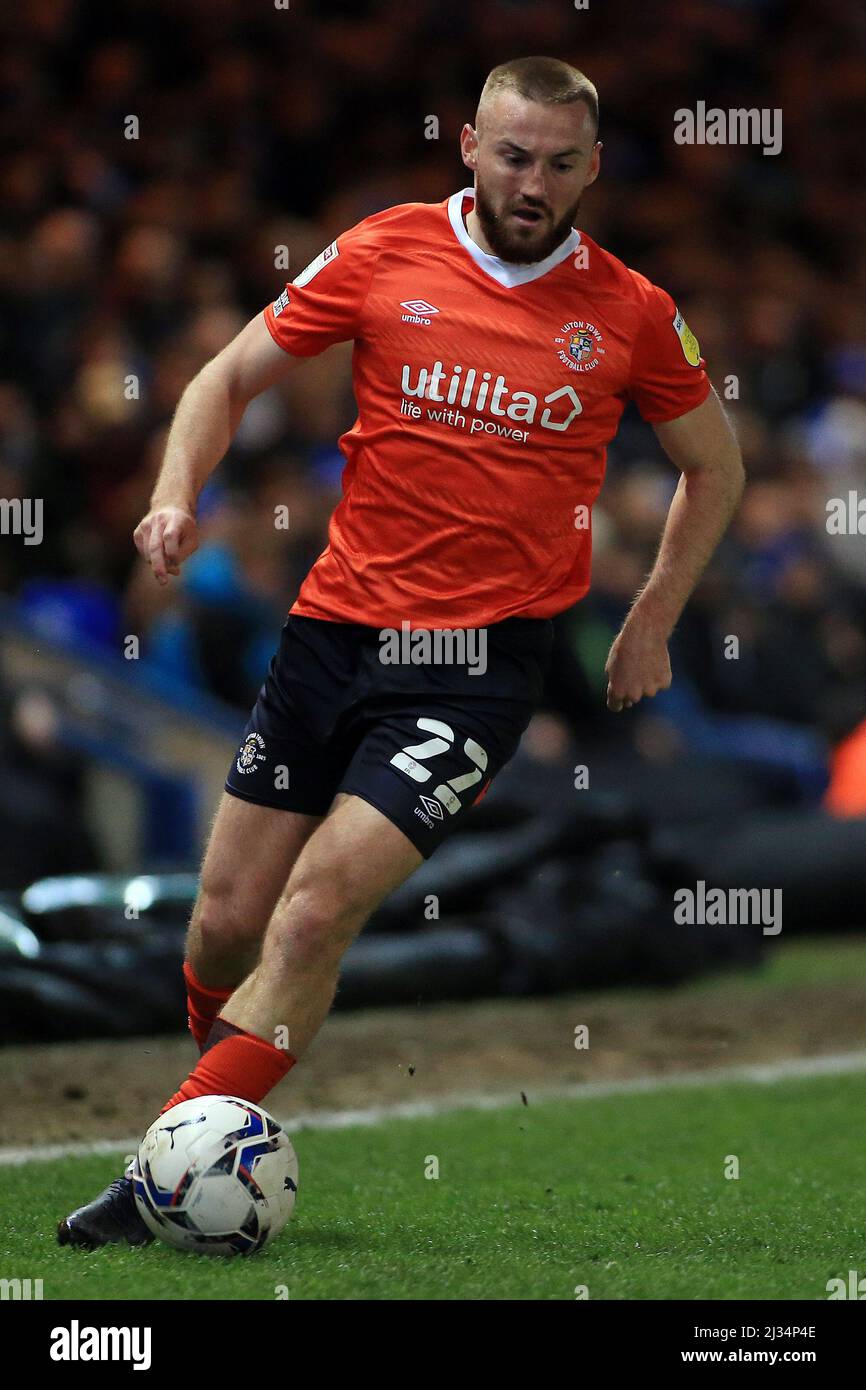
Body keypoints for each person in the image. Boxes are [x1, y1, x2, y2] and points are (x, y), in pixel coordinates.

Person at [58, 55, 744, 1247]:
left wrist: (647, 618)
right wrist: (176, 495)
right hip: (330, 634)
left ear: (591, 167)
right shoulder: (383, 251)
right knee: (224, 923)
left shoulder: (628, 312)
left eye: (560, 162)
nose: (533, 182)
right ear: (468, 147)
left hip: (477, 668)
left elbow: (714, 466)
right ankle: (221, 1107)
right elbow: (225, 377)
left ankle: (160, 1168)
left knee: (315, 912)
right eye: (513, 155)